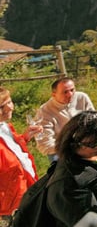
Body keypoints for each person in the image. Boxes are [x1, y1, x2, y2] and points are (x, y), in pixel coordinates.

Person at [0, 87, 40, 221]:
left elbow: (13, 150)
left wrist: (26, 136)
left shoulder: (5, 126)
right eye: (6, 104)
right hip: (12, 204)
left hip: (27, 190)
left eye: (10, 102)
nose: (12, 107)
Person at [36, 77, 95, 162]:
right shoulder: (45, 112)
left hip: (87, 143)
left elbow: (94, 122)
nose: (70, 94)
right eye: (65, 92)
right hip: (61, 150)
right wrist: (73, 148)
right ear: (54, 94)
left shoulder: (82, 98)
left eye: (72, 90)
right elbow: (45, 145)